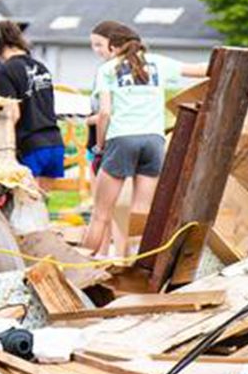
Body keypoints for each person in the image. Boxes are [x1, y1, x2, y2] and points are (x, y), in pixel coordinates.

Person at [82, 21, 198, 258]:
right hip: (153, 141)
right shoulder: (158, 62)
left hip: (122, 139)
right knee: (141, 213)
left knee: (101, 214)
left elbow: (105, 113)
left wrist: (101, 146)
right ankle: (135, 268)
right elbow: (199, 69)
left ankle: (78, 270)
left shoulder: (108, 69)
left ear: (114, 47)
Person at [0, 21, 63, 192]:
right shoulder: (41, 67)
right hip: (55, 144)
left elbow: (12, 114)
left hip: (31, 147)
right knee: (39, 208)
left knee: (24, 209)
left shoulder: (4, 72)